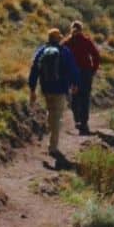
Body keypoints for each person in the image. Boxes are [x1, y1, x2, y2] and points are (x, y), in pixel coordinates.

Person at [28, 28, 81, 157]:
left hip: (45, 89)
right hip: (60, 89)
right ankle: (53, 148)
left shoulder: (41, 51)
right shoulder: (65, 52)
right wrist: (75, 84)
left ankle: (48, 129)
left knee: (51, 112)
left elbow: (34, 70)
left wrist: (32, 89)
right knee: (57, 117)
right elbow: (73, 69)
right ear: (59, 39)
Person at [64, 21, 101, 135]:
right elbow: (96, 55)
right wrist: (93, 69)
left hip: (73, 74)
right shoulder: (86, 40)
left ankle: (77, 120)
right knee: (85, 97)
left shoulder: (67, 42)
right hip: (85, 73)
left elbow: (61, 56)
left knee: (75, 97)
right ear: (81, 29)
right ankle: (84, 122)